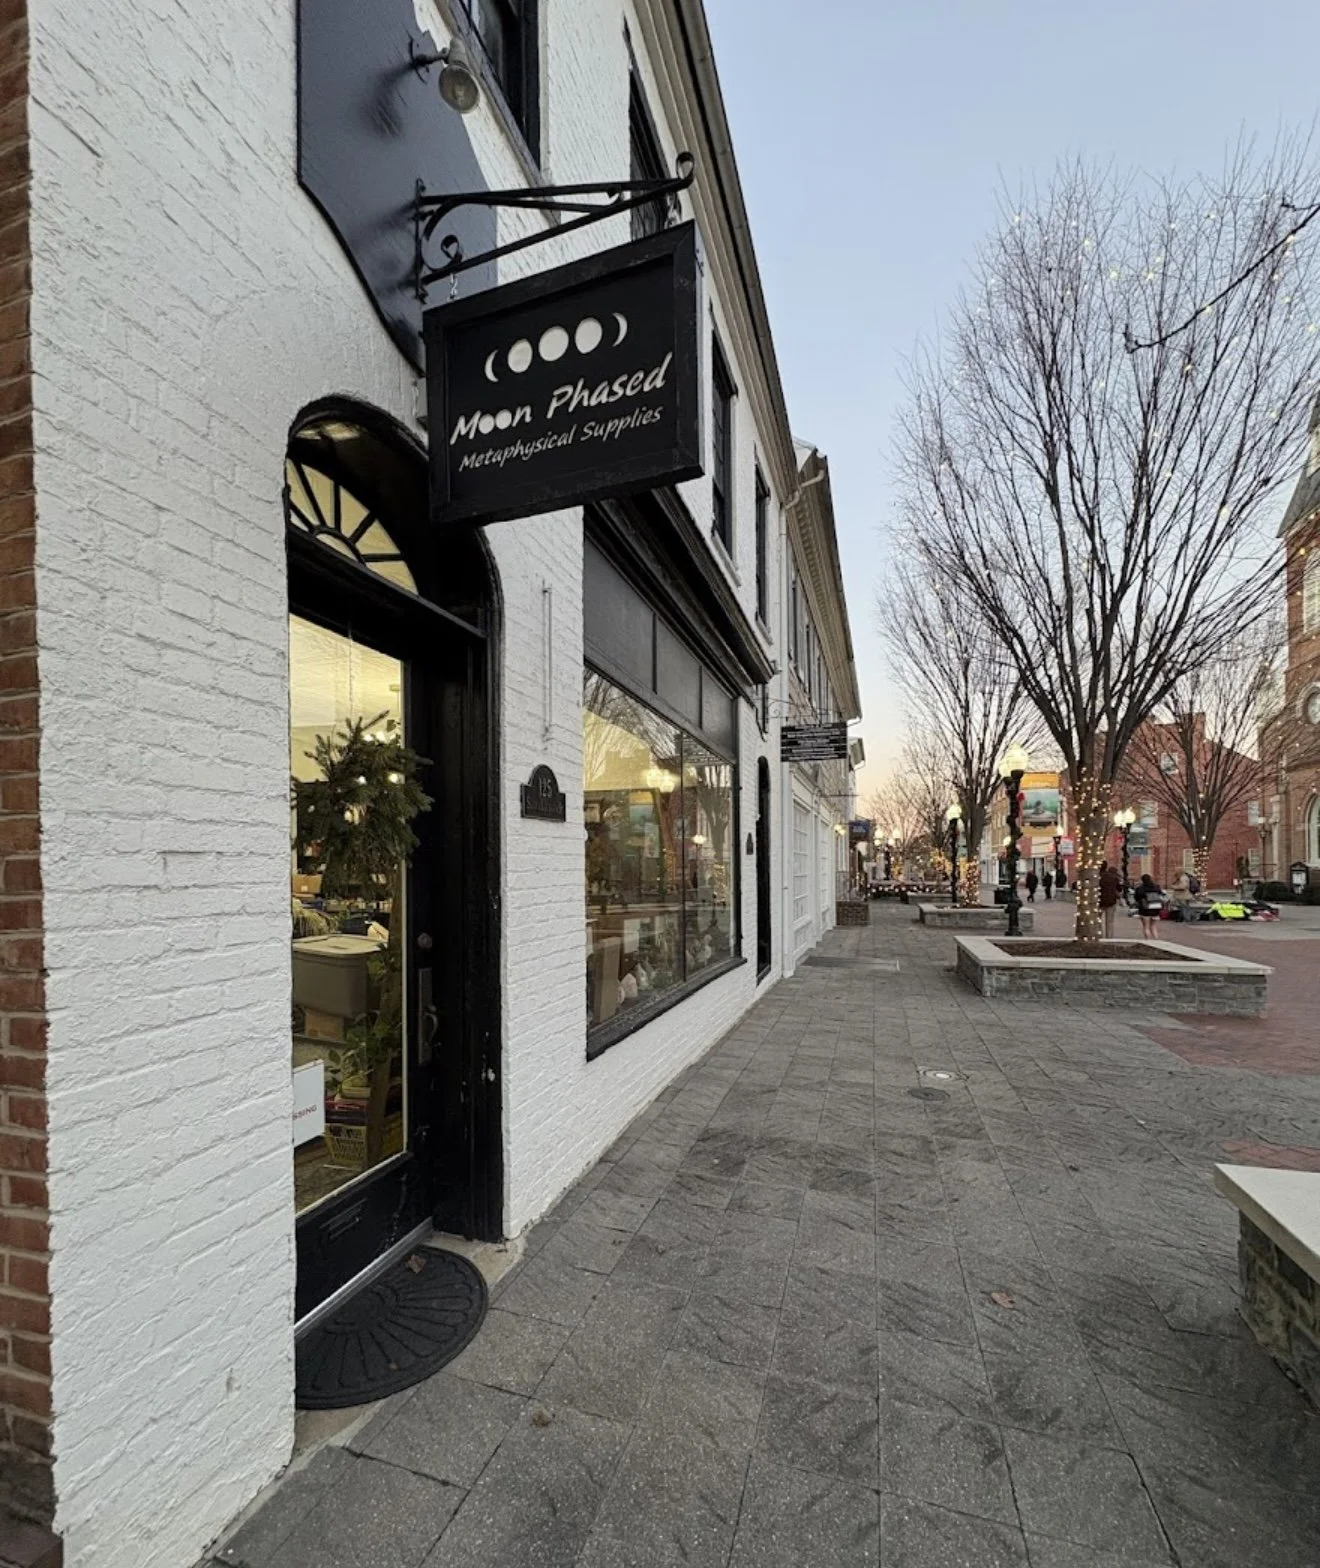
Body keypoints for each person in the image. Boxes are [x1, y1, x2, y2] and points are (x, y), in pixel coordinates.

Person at [1133, 873, 1166, 939]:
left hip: (1145, 909)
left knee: (1146, 926)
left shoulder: (1140, 889)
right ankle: (1156, 940)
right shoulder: (1156, 887)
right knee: (1153, 926)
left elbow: (1136, 898)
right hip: (1155, 908)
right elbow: (1161, 894)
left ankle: (1148, 940)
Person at [1098, 861, 1121, 938]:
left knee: (1098, 921)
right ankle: (1109, 938)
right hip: (1111, 901)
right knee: (1110, 922)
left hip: (1098, 901)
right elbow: (1119, 889)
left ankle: (1099, 936)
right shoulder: (1113, 877)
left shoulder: (1095, 877)